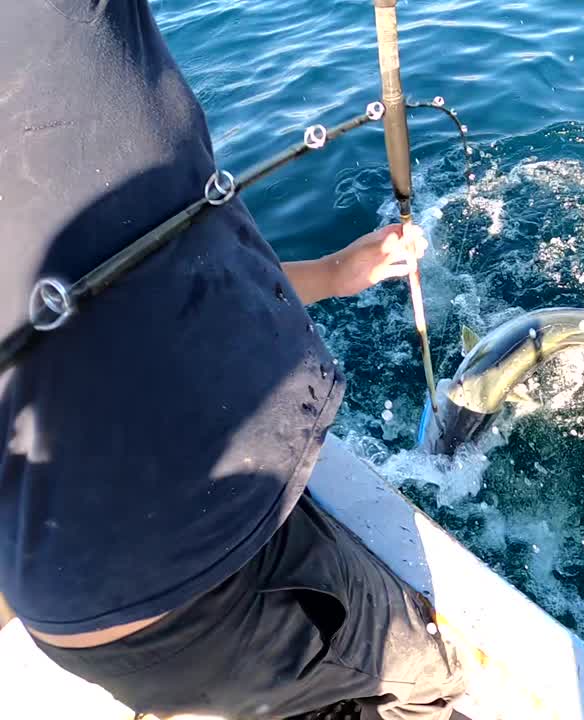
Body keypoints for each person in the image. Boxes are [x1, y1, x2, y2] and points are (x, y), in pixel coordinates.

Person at [0, 1, 465, 718]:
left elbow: (159, 281)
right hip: (214, 595)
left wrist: (334, 273)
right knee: (426, 672)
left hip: (73, 624)